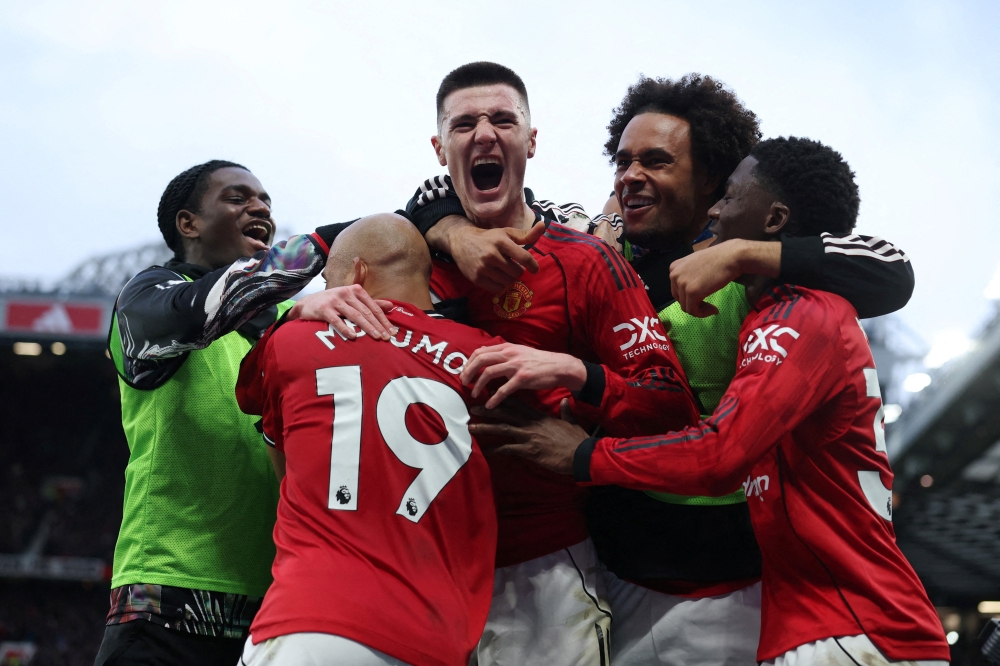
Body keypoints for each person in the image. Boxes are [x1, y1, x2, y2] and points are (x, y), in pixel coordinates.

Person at [413, 74, 915, 665]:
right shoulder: (594, 240)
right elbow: (430, 193)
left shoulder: (759, 279)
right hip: (614, 573)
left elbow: (893, 269)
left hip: (733, 588)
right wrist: (454, 232)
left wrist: (743, 253)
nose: (630, 177)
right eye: (622, 161)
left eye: (655, 161)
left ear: (713, 181)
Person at [399, 61, 702, 665]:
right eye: (464, 124)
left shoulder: (586, 261)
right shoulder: (395, 257)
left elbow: (673, 406)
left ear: (530, 142)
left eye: (503, 119)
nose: (484, 134)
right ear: (439, 148)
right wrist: (317, 305)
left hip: (542, 569)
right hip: (413, 568)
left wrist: (578, 380)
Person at [96, 160, 394, 666]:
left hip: (277, 613)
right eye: (237, 198)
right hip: (166, 609)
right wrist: (370, 233)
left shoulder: (285, 323)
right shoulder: (144, 303)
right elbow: (208, 305)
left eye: (266, 203)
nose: (260, 208)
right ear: (187, 224)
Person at [235, 213, 503, 666]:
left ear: (356, 275)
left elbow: (255, 402)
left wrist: (293, 315)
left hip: (312, 620)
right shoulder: (487, 355)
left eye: (327, 280)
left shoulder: (293, 340)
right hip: (439, 638)